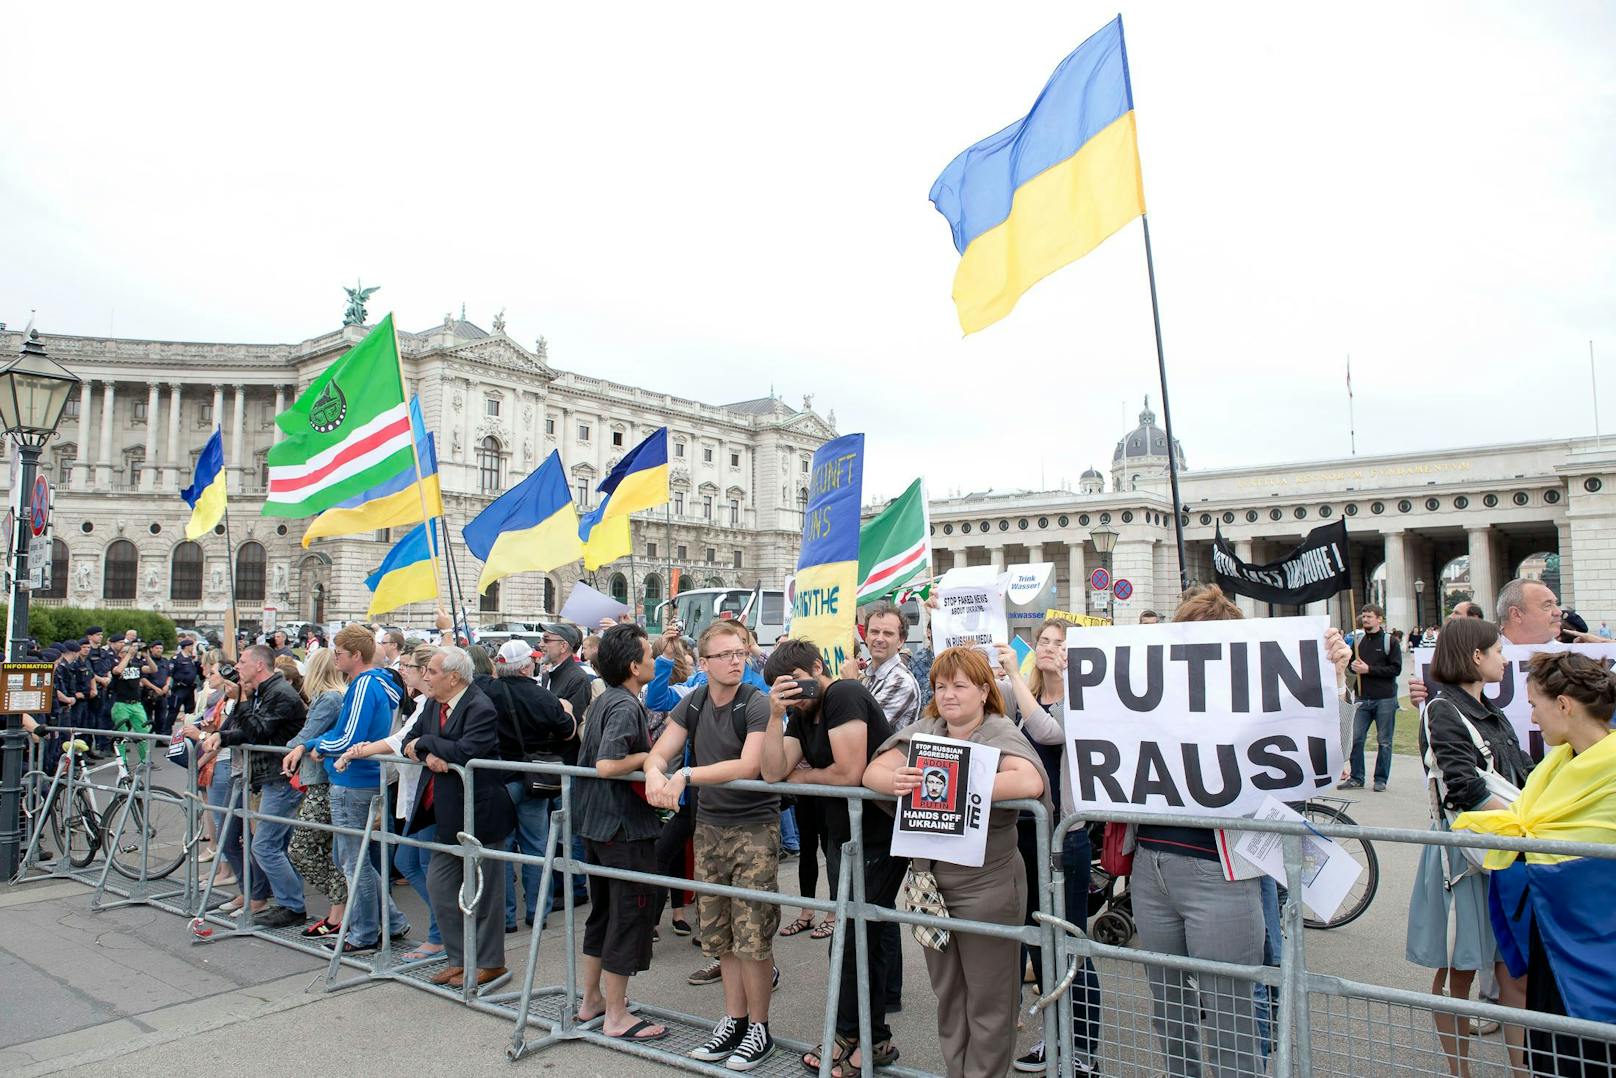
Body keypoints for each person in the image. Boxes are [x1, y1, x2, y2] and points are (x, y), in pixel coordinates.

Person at [1126, 585, 1349, 1078]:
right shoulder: (1155, 701)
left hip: (1222, 871)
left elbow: (1323, 759)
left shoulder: (1258, 702)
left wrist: (1333, 682)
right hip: (1150, 864)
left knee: (1230, 1010)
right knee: (1169, 1005)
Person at [862, 646, 1050, 1078]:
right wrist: (895, 778)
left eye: (959, 686)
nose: (948, 694)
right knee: (949, 995)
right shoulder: (926, 727)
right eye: (941, 686)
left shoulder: (999, 730)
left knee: (989, 999)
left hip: (988, 884)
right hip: (931, 887)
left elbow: (1029, 779)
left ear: (984, 691)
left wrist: (954, 782)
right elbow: (874, 771)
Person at [1455, 652, 1616, 1078]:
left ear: (1564, 705)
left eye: (1535, 704)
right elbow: (1532, 824)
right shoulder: (1555, 764)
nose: (1532, 716)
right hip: (1554, 937)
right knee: (1554, 1050)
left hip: (1600, 943)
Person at [762, 638, 903, 1077]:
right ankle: (873, 1038)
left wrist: (806, 776)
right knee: (865, 935)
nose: (796, 692)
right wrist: (774, 714)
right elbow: (771, 772)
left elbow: (850, 772)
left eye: (799, 682)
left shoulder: (843, 693)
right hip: (845, 836)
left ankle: (845, 1035)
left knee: (852, 935)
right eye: (783, 687)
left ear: (818, 667)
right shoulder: (799, 714)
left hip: (877, 834)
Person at [646, 619, 781, 1071]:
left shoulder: (755, 703)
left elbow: (747, 765)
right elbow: (661, 750)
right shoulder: (696, 701)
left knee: (753, 934)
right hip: (709, 827)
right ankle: (734, 1019)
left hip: (753, 829)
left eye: (739, 652)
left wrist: (684, 775)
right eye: (724, 655)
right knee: (719, 931)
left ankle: (759, 1028)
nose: (735, 661)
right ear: (704, 663)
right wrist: (653, 772)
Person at [1406, 617, 1532, 1078]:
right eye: (1496, 650)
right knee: (1458, 972)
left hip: (1501, 849)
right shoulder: (1442, 710)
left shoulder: (1490, 710)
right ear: (1476, 657)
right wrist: (1527, 824)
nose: (1503, 658)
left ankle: (1522, 1070)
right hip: (1465, 857)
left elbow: (1521, 773)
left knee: (1512, 970)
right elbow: (1462, 787)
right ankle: (1461, 1072)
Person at [993, 618, 1102, 1074]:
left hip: (1064, 838)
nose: (1051, 649)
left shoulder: (1084, 697)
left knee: (1068, 943)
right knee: (1039, 944)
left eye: (1060, 643)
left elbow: (1047, 732)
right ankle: (1052, 1039)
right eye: (1044, 641)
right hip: (1019, 833)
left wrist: (1018, 676)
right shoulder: (1019, 692)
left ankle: (1083, 1050)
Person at [571, 623, 668, 1042]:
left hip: (598, 824)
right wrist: (649, 756)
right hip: (621, 828)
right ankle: (615, 1015)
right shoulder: (626, 705)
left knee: (604, 914)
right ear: (633, 665)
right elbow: (608, 764)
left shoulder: (608, 699)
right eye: (649, 655)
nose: (654, 660)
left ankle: (591, 1000)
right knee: (627, 917)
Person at [284, 624, 405, 954]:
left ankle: (365, 933)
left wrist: (318, 746)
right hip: (357, 779)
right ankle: (391, 922)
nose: (334, 656)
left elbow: (349, 736)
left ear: (355, 655)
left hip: (355, 780)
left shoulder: (365, 684)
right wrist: (314, 743)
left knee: (354, 862)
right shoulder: (372, 682)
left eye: (339, 652)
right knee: (351, 858)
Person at [402, 646, 516, 988]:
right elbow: (410, 740)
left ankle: (491, 962)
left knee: (486, 893)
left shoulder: (480, 705)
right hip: (446, 814)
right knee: (440, 887)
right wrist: (427, 750)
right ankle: (459, 958)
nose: (425, 676)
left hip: (482, 812)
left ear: (453, 677)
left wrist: (429, 745)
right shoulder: (433, 704)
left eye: (431, 672)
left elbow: (468, 751)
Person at [338, 643, 442, 961]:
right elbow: (404, 741)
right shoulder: (421, 704)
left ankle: (443, 933)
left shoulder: (429, 704)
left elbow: (401, 741)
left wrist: (358, 750)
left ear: (424, 672)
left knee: (419, 864)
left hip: (427, 797)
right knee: (410, 862)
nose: (404, 672)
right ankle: (442, 930)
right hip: (414, 796)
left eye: (409, 667)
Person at [204, 644, 308, 928]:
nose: (237, 666)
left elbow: (258, 731)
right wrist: (221, 737)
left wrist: (243, 697)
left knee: (264, 846)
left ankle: (292, 905)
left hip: (282, 777)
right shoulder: (264, 691)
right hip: (267, 776)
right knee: (275, 845)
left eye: (242, 661)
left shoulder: (281, 694)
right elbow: (245, 727)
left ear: (259, 666)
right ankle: (288, 902)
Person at [485, 638, 575, 931]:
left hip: (500, 778)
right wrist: (569, 711)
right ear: (526, 666)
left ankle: (506, 917)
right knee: (536, 848)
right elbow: (566, 731)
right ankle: (538, 913)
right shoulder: (541, 696)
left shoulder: (488, 691)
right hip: (533, 780)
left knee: (502, 850)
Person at [858, 601, 919, 1015]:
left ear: (901, 639)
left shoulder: (897, 680)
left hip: (886, 803)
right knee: (876, 901)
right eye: (874, 631)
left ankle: (887, 992)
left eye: (888, 634)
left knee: (878, 900)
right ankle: (883, 988)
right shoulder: (867, 674)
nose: (879, 638)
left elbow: (863, 734)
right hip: (872, 798)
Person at [282, 648, 350, 940]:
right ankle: (339, 910)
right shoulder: (329, 697)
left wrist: (297, 745)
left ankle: (344, 904)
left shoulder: (330, 699)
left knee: (302, 848)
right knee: (330, 851)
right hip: (321, 780)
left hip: (324, 782)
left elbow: (301, 737)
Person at [540, 621, 595, 907]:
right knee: (557, 828)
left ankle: (575, 888)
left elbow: (568, 725)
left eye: (547, 639)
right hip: (554, 762)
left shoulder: (576, 678)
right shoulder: (551, 674)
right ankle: (563, 884)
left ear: (563, 645)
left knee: (569, 829)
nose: (541, 644)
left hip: (569, 762)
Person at [1340, 605, 1402, 792]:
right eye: (1364, 616)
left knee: (1384, 741)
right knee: (1357, 739)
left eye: (1369, 616)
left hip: (1385, 698)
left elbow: (1396, 669)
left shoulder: (1389, 642)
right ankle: (1357, 777)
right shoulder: (1358, 641)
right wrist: (1352, 668)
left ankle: (1380, 779)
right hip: (1362, 698)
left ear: (1379, 619)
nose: (1365, 619)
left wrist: (1370, 670)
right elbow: (1349, 665)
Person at [169, 638, 201, 730]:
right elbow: (170, 673)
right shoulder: (176, 658)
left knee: (189, 712)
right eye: (191, 646)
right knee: (173, 711)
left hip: (190, 689)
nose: (192, 648)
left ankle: (189, 731)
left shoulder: (192, 658)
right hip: (179, 688)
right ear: (186, 647)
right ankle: (165, 733)